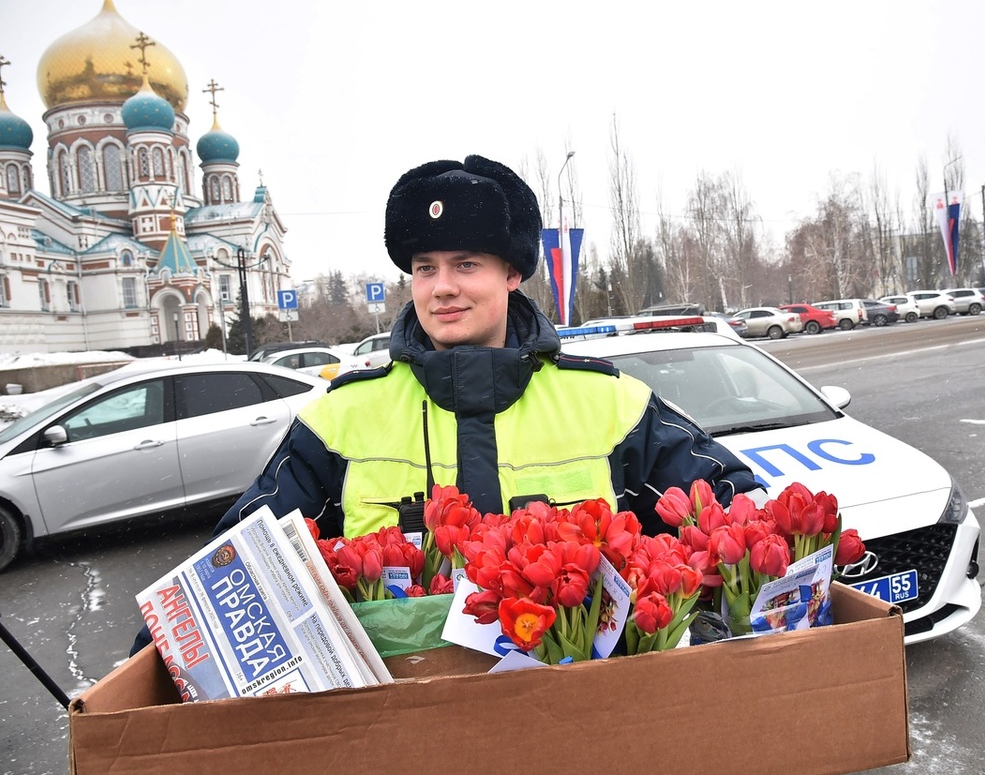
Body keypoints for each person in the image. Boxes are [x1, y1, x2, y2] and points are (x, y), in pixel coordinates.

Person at [132, 155, 759, 654]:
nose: (443, 288)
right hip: (409, 730)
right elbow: (236, 563)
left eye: (466, 264)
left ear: (513, 274)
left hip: (582, 721)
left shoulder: (606, 401)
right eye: (425, 268)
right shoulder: (342, 416)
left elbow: (735, 515)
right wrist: (148, 657)